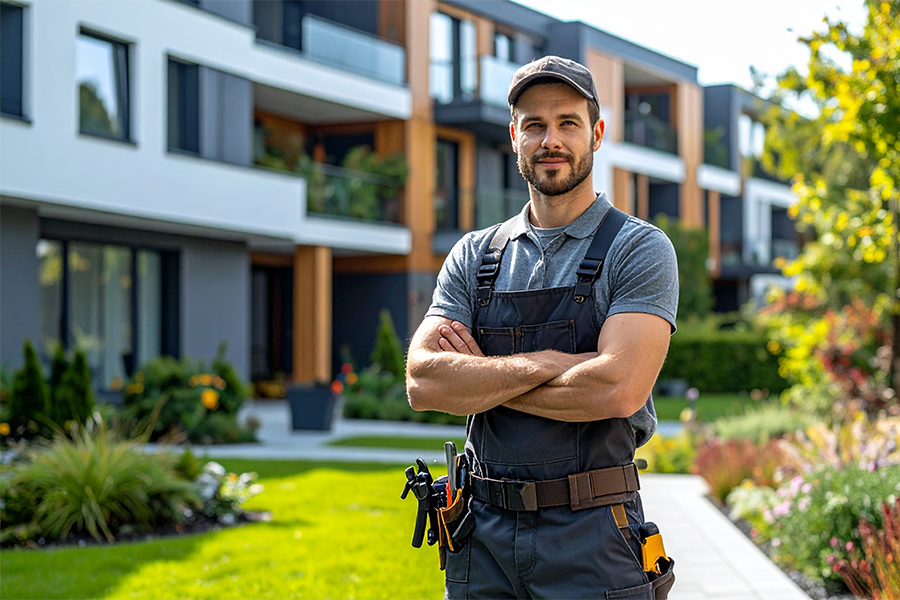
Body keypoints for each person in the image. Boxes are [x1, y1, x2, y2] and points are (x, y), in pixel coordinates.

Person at [406, 55, 679, 599]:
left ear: (596, 134)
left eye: (567, 123)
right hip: (479, 538)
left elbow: (619, 387)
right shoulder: (473, 255)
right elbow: (423, 382)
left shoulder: (638, 249)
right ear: (514, 136)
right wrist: (556, 365)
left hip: (593, 537)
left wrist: (483, 378)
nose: (550, 139)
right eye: (534, 125)